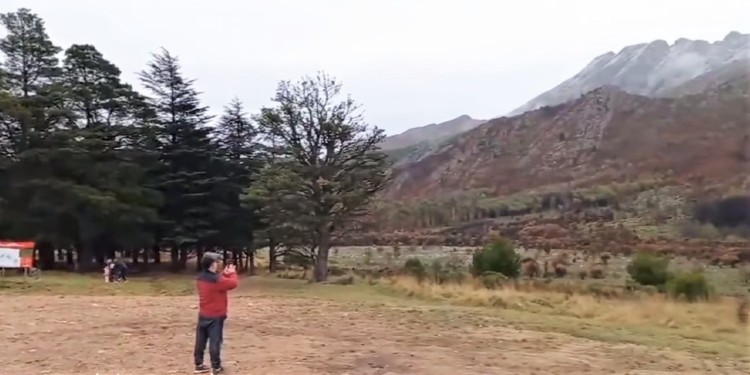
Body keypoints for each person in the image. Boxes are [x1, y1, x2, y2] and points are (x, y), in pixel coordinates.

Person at [193, 252, 238, 374]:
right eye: (216, 262)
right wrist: (232, 272)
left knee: (200, 340)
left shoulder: (201, 278)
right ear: (212, 264)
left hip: (203, 313)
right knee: (215, 342)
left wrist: (224, 274)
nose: (218, 264)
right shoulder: (217, 280)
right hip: (216, 315)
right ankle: (216, 367)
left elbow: (219, 281)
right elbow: (232, 284)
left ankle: (199, 364)